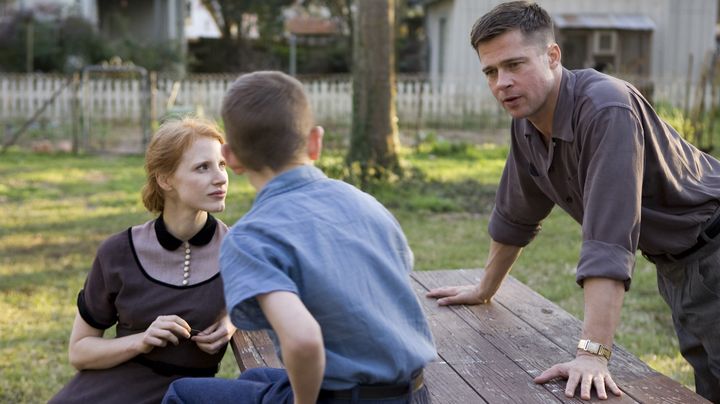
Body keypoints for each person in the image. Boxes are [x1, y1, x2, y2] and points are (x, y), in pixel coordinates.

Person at [426, 1, 720, 402]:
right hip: (679, 262)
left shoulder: (605, 108)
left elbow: (608, 239)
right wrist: (485, 287)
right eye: (491, 72)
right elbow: (516, 215)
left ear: (552, 56)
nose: (502, 83)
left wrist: (593, 355)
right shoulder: (527, 125)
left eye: (515, 65)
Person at [162, 71, 436, 404]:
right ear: (315, 141)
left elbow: (303, 341)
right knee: (256, 377)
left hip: (345, 397)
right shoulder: (367, 204)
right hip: (414, 391)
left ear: (230, 158)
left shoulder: (252, 238)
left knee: (182, 394)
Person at [50, 118, 235, 404]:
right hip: (109, 388)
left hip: (186, 395)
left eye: (221, 165)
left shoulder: (239, 249)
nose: (221, 177)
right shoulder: (117, 253)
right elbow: (79, 352)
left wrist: (233, 319)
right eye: (203, 167)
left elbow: (280, 304)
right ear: (165, 179)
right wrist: (142, 340)